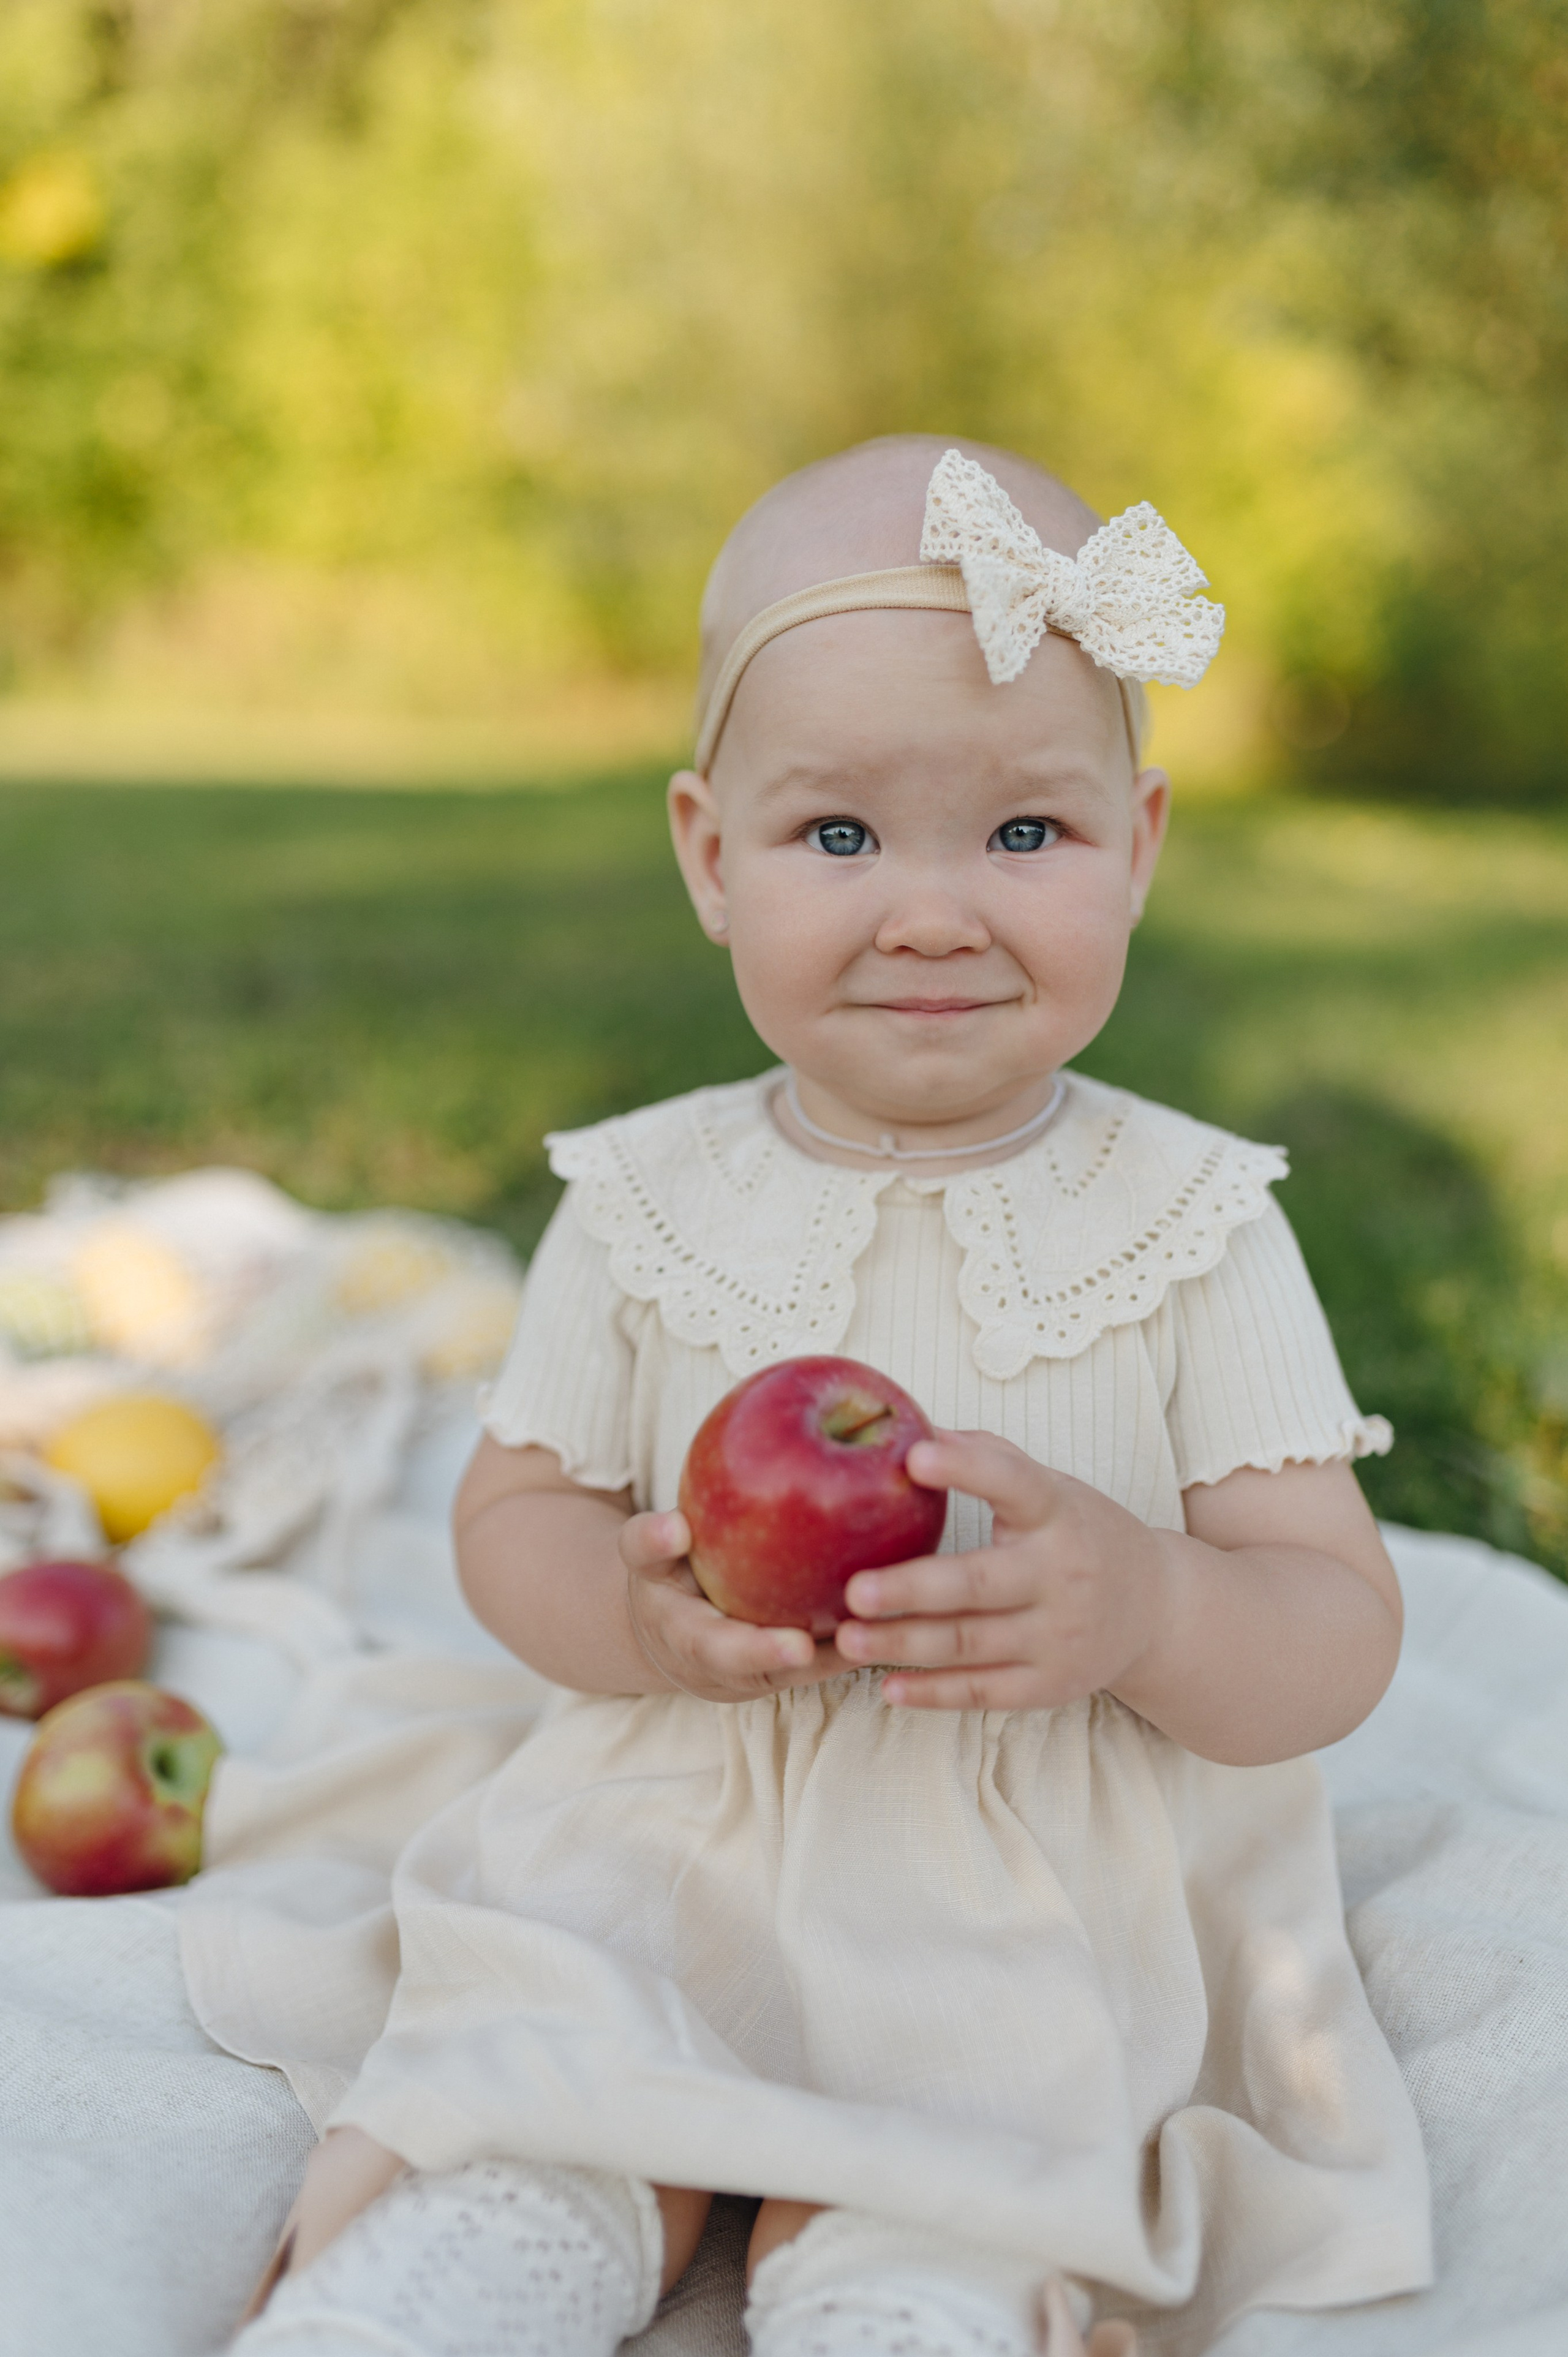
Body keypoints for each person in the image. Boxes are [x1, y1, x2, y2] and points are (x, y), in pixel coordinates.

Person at [232, 438, 1432, 2357]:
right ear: (714, 857)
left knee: (976, 2135)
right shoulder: (647, 1200)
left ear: (1144, 843)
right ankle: (531, 2224)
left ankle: (904, 2288)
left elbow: (1338, 1624)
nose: (935, 913)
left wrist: (1155, 1602)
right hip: (685, 1812)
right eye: (843, 839)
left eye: (1026, 836)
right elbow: (512, 1515)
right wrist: (626, 1613)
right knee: (561, 2030)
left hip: (1028, 1872)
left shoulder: (1194, 1222)